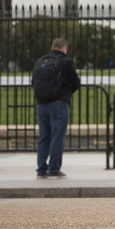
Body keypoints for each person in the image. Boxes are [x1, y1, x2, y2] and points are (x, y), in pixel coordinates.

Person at [32, 37, 81, 178]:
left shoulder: (40, 60)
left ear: (53, 46)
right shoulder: (65, 61)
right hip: (59, 103)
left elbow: (34, 81)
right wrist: (65, 93)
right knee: (57, 137)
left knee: (44, 137)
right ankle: (54, 169)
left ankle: (41, 169)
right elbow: (75, 82)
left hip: (41, 103)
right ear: (64, 48)